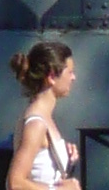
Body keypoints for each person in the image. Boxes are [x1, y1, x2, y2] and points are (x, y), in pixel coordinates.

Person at [8, 41, 78, 190]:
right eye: (70, 72)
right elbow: (15, 183)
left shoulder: (44, 118)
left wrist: (64, 155)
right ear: (52, 77)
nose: (74, 78)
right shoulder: (36, 123)